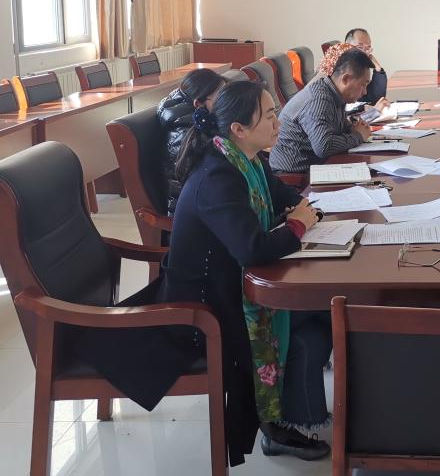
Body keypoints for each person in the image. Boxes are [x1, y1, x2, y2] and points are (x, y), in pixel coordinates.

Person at [72, 81, 328, 464]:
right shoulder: (218, 176)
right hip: (204, 309)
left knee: (319, 312)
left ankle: (297, 416)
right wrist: (297, 225)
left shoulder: (246, 160)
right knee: (313, 314)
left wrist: (305, 208)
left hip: (228, 286)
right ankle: (279, 427)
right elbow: (252, 249)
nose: (279, 122)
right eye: (270, 116)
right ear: (239, 129)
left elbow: (280, 194)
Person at [269, 48, 375, 173]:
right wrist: (358, 136)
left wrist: (352, 128)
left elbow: (336, 128)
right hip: (293, 175)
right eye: (363, 85)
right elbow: (324, 147)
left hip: (315, 168)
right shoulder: (319, 99)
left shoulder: (336, 94)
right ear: (346, 79)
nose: (365, 92)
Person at [157, 67, 225, 215]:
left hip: (207, 200)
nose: (225, 102)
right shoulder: (183, 133)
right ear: (198, 103)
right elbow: (202, 177)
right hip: (191, 212)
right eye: (220, 98)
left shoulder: (200, 120)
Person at [345, 28, 388, 105]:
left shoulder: (362, 68)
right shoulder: (343, 70)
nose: (364, 52)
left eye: (368, 48)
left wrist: (378, 69)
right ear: (346, 47)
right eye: (360, 47)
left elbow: (376, 97)